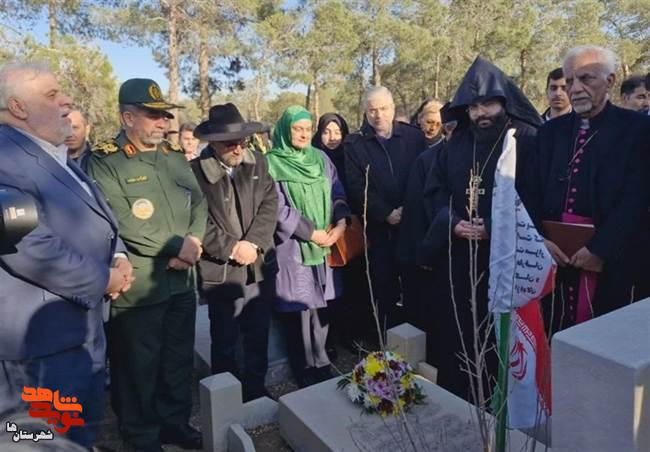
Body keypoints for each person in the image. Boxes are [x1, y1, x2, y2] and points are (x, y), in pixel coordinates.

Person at [0, 61, 132, 449]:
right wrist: (103, 279)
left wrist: (119, 255)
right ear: (18, 107)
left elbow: (99, 218)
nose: (67, 101)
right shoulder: (5, 158)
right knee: (40, 440)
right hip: (39, 352)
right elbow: (28, 245)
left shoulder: (53, 155)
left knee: (76, 433)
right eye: (52, 94)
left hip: (78, 335)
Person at [87, 78, 207, 452]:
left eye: (165, 115)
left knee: (177, 359)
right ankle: (141, 436)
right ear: (127, 118)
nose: (164, 122)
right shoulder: (105, 161)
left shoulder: (172, 155)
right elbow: (120, 220)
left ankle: (174, 423)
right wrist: (178, 247)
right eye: (153, 115)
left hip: (181, 282)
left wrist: (193, 241)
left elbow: (199, 201)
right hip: (138, 287)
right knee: (137, 367)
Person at [423, 57, 541, 400]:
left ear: (504, 102)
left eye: (488, 104)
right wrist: (452, 223)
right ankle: (459, 397)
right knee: (459, 328)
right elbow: (435, 190)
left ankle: (499, 403)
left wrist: (494, 227)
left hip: (506, 257)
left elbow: (537, 196)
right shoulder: (457, 142)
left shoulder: (526, 139)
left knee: (499, 334)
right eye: (473, 107)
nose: (480, 113)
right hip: (461, 256)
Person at [529, 46, 650, 335]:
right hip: (556, 259)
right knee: (555, 334)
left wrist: (599, 249)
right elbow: (530, 189)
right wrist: (541, 239)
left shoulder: (638, 129)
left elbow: (637, 197)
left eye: (586, 79)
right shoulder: (549, 132)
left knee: (602, 341)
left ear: (610, 81)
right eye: (570, 81)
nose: (575, 89)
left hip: (610, 259)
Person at [190, 103, 278, 402]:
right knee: (225, 339)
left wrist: (253, 243)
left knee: (257, 334)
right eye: (230, 143)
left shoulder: (258, 163)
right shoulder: (195, 173)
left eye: (242, 141)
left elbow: (270, 205)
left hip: (258, 266)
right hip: (222, 273)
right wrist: (231, 248)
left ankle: (256, 390)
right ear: (213, 143)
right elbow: (196, 221)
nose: (238, 148)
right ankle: (225, 398)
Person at [268, 105, 350, 387]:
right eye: (297, 129)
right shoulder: (272, 163)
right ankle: (303, 368)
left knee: (322, 306)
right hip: (294, 249)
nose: (303, 134)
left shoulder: (320, 158)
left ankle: (322, 362)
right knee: (299, 309)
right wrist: (310, 232)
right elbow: (276, 208)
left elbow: (337, 190)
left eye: (307, 129)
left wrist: (341, 222)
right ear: (285, 130)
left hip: (326, 243)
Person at [344, 86, 427, 330]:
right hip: (379, 231)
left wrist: (408, 209)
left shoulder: (414, 137)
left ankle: (417, 339)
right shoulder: (355, 144)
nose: (378, 115)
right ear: (365, 112)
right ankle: (388, 341)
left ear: (392, 109)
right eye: (372, 110)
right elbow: (356, 186)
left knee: (415, 289)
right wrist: (386, 213)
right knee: (384, 290)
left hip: (412, 228)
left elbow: (424, 176)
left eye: (383, 108)